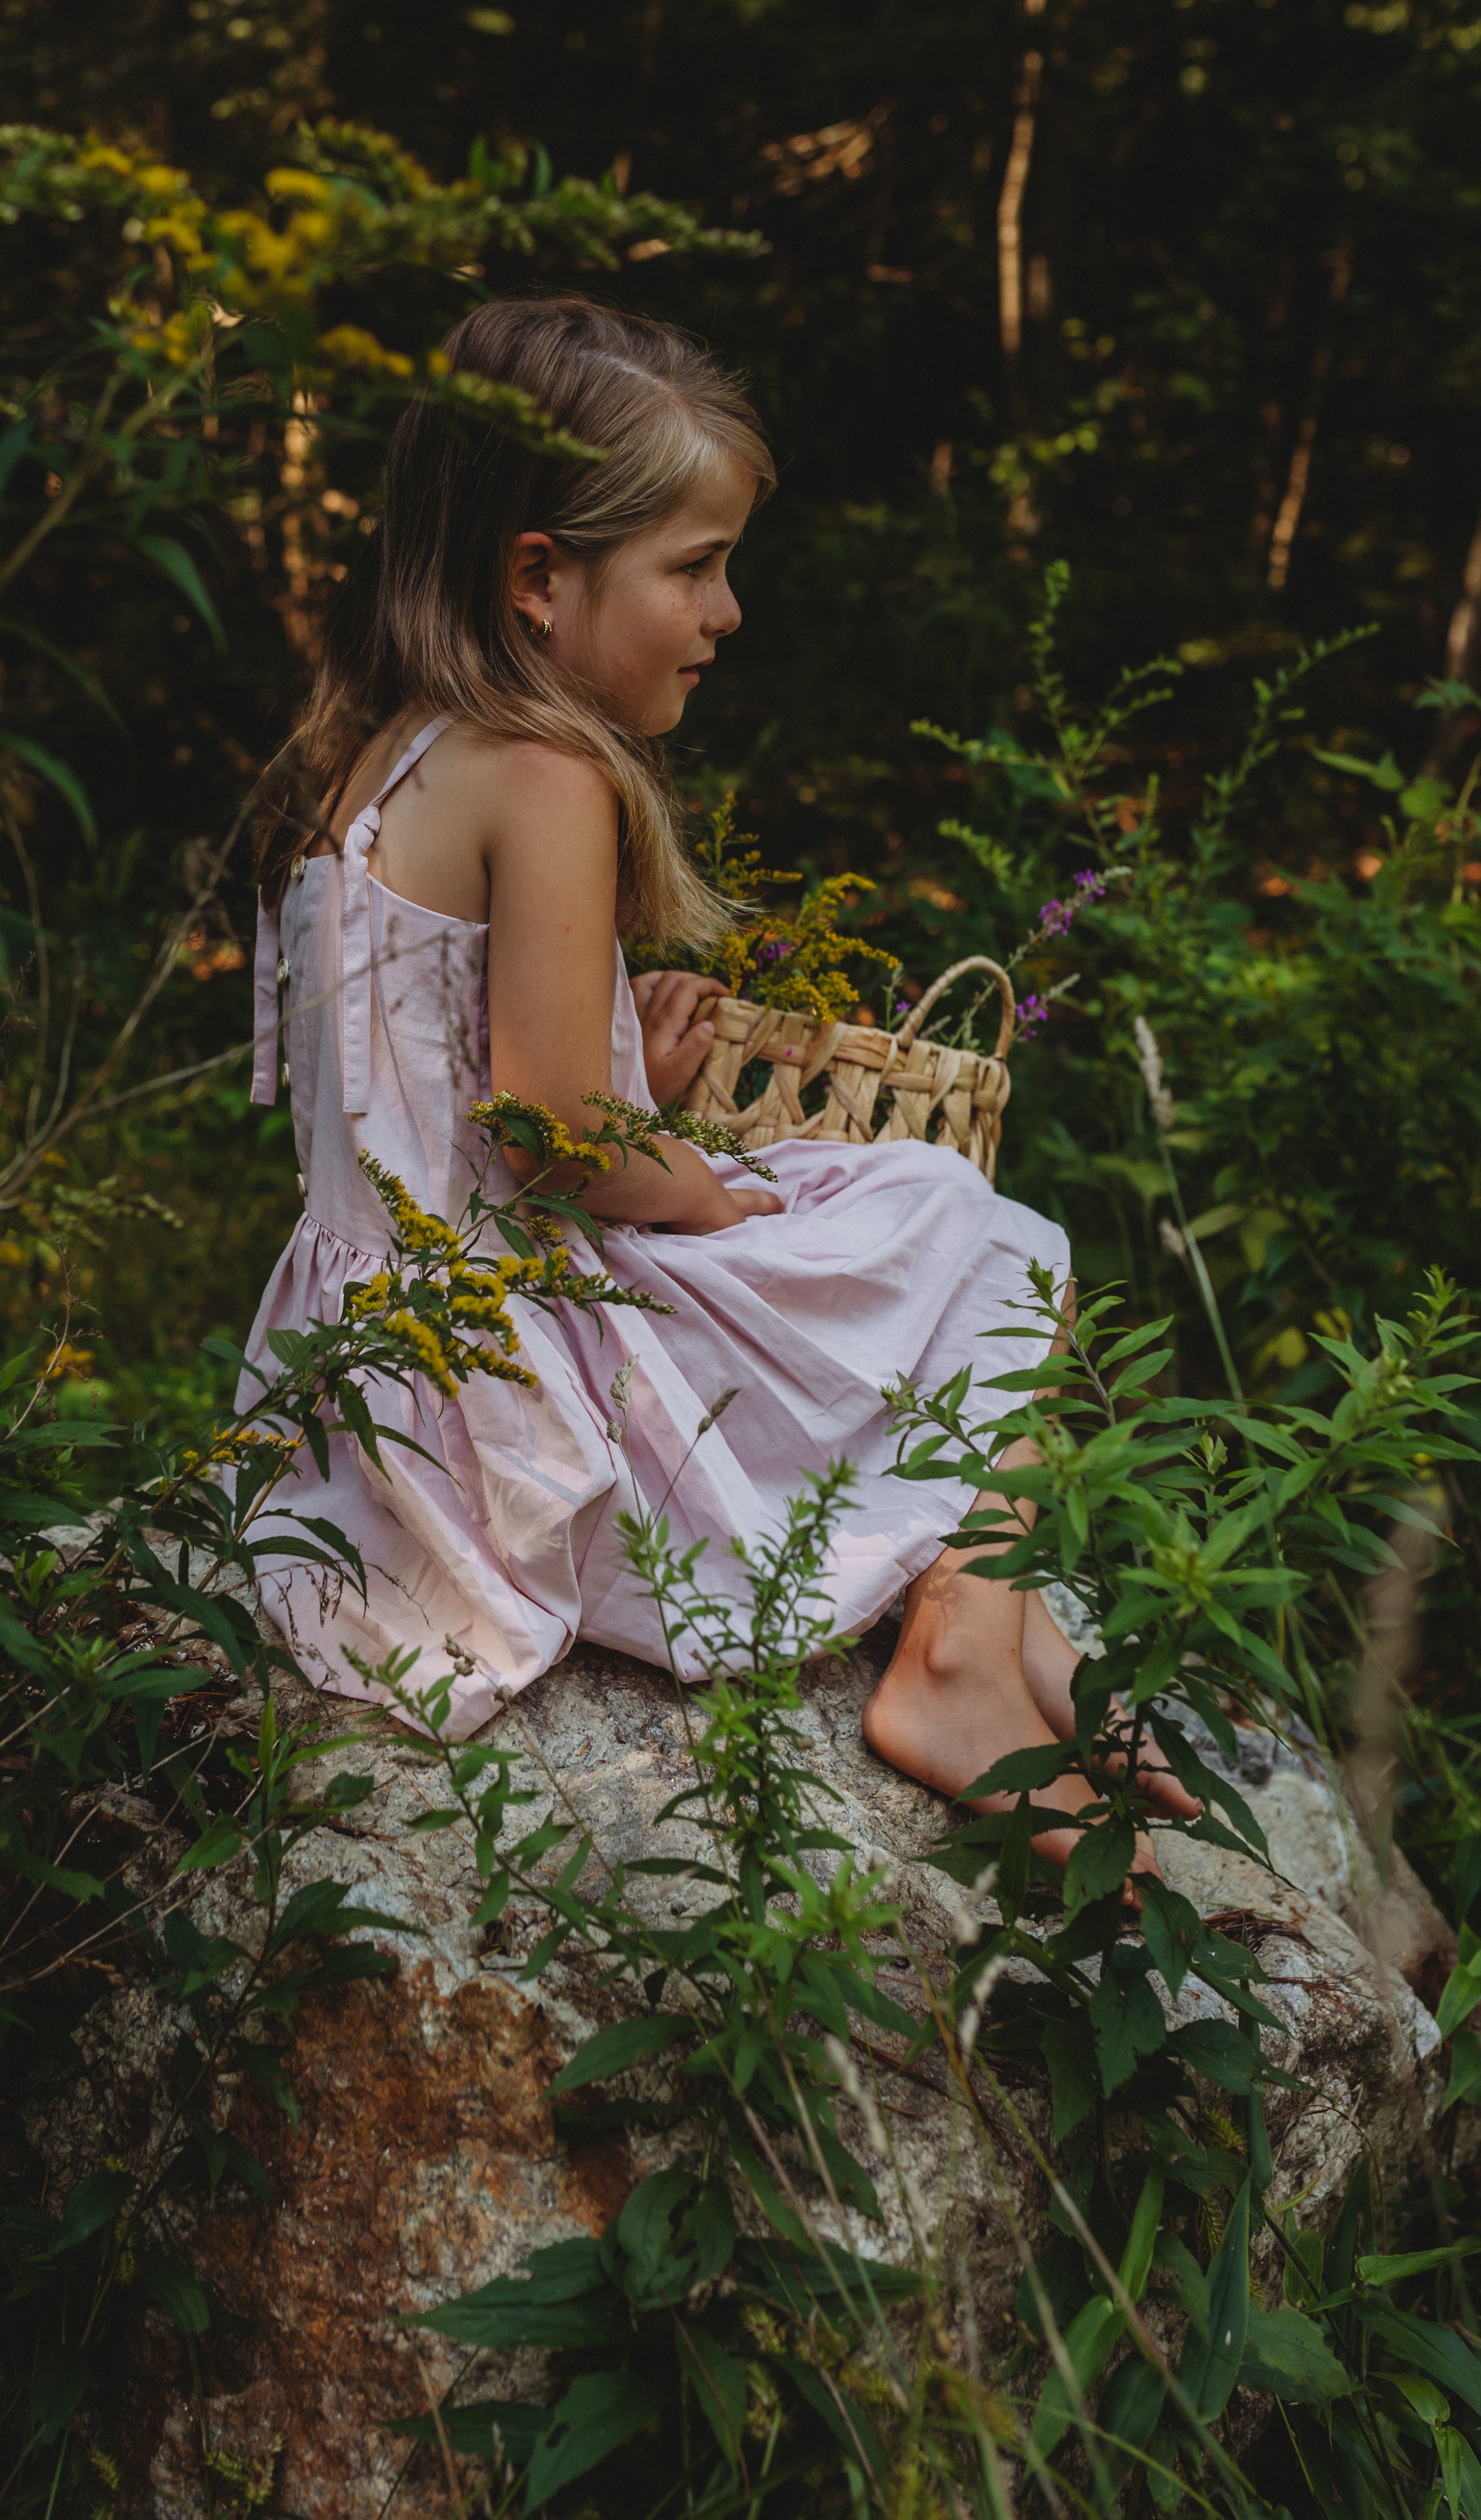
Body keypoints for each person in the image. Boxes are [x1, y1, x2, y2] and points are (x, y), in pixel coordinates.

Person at [243, 295, 1198, 1879]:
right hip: (513, 1395)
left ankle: (1006, 1631)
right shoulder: (549, 778)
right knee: (973, 1223)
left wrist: (642, 1066)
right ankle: (965, 1661)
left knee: (903, 1227)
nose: (729, 610)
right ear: (537, 576)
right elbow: (548, 1137)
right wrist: (694, 1177)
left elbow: (438, 1092)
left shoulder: (385, 759)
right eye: (694, 567)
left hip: (381, 1382)